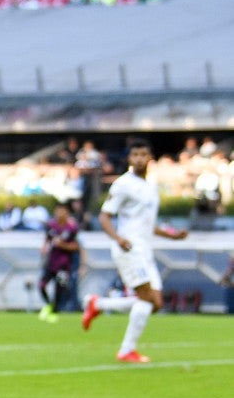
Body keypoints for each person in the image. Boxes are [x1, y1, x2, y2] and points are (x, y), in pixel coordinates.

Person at [82, 139, 188, 363]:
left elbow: (148, 225)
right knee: (147, 299)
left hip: (145, 250)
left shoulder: (150, 186)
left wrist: (172, 235)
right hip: (128, 248)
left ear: (150, 158)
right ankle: (126, 350)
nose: (139, 159)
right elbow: (104, 216)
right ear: (129, 159)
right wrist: (118, 238)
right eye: (135, 155)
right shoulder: (123, 184)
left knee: (155, 303)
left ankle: (98, 304)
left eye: (143, 155)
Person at [37, 203, 80, 323]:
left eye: (62, 211)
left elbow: (76, 246)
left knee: (59, 290)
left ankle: (53, 313)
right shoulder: (51, 226)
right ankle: (48, 305)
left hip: (64, 265)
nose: (59, 213)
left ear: (67, 212)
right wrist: (44, 247)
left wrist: (63, 245)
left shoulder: (71, 228)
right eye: (57, 210)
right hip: (51, 262)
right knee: (41, 285)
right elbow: (47, 239)